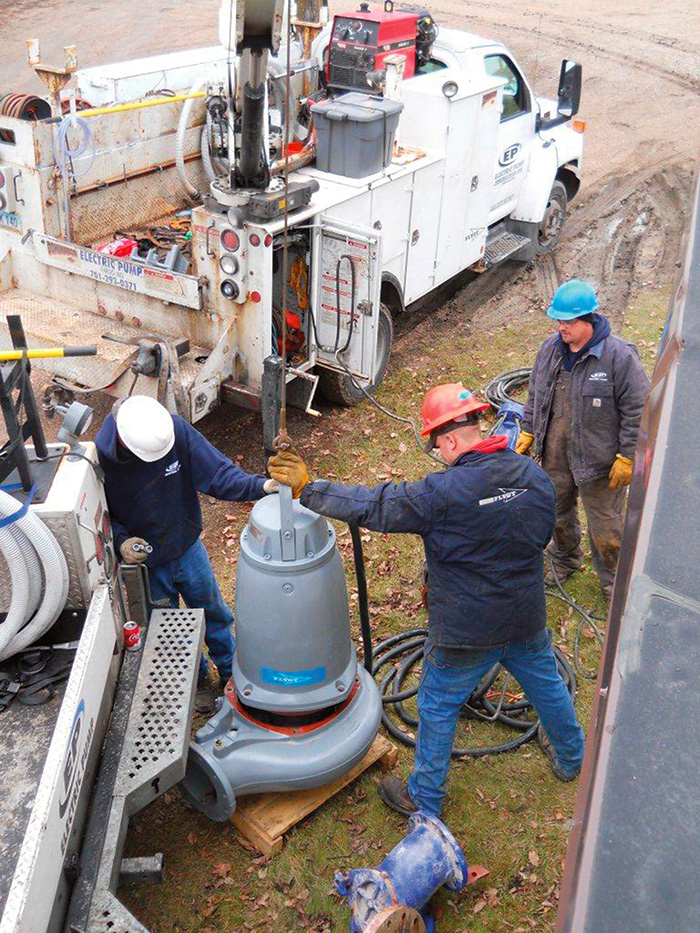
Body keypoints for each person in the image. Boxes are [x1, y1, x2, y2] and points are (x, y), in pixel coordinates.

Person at [268, 384, 585, 817]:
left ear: (451, 439)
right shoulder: (533, 477)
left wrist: (310, 489)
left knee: (436, 706)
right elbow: (542, 534)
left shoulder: (440, 494)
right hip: (525, 616)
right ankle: (571, 759)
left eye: (438, 444)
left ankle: (425, 797)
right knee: (548, 687)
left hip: (464, 631)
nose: (439, 453)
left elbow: (376, 505)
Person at [95, 395, 276, 710]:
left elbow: (219, 474)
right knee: (169, 633)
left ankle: (233, 674)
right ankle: (197, 682)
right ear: (124, 444)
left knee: (214, 613)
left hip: (187, 548)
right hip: (147, 566)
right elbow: (100, 514)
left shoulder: (172, 431)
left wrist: (260, 487)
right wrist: (122, 541)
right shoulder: (100, 460)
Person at [517, 280, 649, 598]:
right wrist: (528, 428)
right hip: (555, 454)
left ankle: (614, 583)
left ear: (589, 319)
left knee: (607, 525)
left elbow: (638, 409)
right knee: (556, 513)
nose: (561, 326)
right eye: (558, 320)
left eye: (568, 321)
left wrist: (627, 455)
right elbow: (536, 392)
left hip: (601, 461)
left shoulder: (618, 357)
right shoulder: (550, 350)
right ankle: (564, 560)